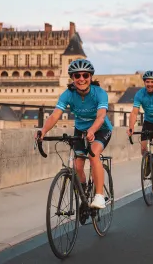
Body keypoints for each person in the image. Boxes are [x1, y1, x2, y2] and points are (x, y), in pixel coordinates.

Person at [38, 59, 113, 209]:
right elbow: (54, 115)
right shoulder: (68, 94)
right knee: (77, 166)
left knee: (93, 155)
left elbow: (101, 116)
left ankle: (99, 196)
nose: (81, 79)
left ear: (90, 77)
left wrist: (92, 130)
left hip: (101, 129)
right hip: (80, 130)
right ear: (72, 78)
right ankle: (84, 192)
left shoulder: (99, 93)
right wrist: (43, 130)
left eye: (85, 75)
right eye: (77, 76)